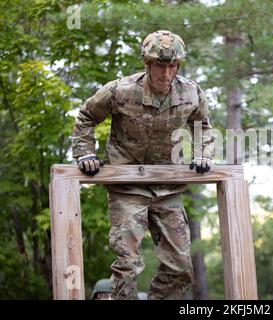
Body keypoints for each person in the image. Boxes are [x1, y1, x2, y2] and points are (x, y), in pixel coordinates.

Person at [71, 30, 214, 300]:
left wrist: (202, 154)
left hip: (167, 189)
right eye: (160, 65)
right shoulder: (120, 91)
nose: (166, 73)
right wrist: (84, 153)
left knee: (181, 268)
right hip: (127, 188)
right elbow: (87, 115)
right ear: (147, 63)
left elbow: (203, 126)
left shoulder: (191, 93)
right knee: (128, 265)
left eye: (173, 65)